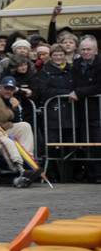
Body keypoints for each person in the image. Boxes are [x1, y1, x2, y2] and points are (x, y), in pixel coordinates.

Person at [37, 44, 75, 182]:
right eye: (55, 55)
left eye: (61, 54)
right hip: (53, 114)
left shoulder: (72, 69)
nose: (58, 57)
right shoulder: (46, 71)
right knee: (52, 146)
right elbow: (44, 90)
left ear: (65, 55)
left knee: (71, 146)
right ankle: (52, 175)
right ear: (51, 56)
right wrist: (66, 94)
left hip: (71, 114)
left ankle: (69, 176)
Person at [69, 36, 101, 183]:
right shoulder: (75, 64)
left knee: (97, 141)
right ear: (79, 50)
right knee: (84, 142)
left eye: (89, 49)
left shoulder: (100, 63)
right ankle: (89, 173)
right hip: (80, 110)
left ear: (96, 50)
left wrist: (78, 92)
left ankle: (98, 174)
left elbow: (98, 86)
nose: (86, 52)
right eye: (83, 49)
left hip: (96, 110)